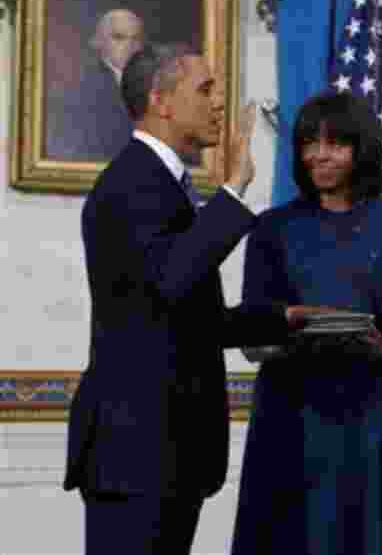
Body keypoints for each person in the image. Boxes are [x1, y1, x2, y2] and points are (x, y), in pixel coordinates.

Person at [64, 43, 318, 555]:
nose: (219, 103)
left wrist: (281, 319)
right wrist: (235, 188)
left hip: (166, 454)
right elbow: (174, 279)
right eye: (205, 89)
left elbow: (183, 317)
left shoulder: (163, 183)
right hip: (136, 455)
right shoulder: (131, 183)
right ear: (160, 100)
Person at [230, 91, 382, 555]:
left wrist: (373, 347)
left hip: (367, 415)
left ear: (361, 149)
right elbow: (250, 338)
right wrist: (292, 340)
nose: (320, 154)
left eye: (335, 143)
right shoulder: (271, 228)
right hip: (289, 415)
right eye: (309, 143)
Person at [48, 9, 145, 161]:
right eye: (119, 38)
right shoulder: (82, 88)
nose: (130, 46)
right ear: (98, 42)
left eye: (136, 39)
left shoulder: (154, 84)